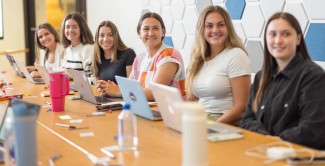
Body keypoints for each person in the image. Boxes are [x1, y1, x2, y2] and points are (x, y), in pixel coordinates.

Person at [240, 12, 325, 150]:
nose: (278, 41)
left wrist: (278, 141)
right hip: (262, 151)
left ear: (298, 39)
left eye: (286, 34)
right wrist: (265, 138)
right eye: (272, 34)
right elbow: (248, 120)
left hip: (299, 157)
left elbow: (313, 128)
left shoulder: (313, 77)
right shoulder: (260, 78)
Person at [96, 12, 186, 101]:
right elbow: (129, 87)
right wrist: (109, 88)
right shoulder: (139, 59)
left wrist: (119, 90)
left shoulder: (170, 54)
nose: (150, 33)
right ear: (139, 33)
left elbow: (153, 93)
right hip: (148, 110)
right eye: (146, 29)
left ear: (163, 32)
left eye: (155, 28)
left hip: (172, 113)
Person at [185, 5, 251, 124]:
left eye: (221, 25)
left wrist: (214, 127)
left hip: (225, 123)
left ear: (228, 28)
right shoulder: (199, 58)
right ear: (202, 30)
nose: (215, 30)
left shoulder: (236, 55)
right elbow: (192, 99)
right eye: (209, 26)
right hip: (200, 119)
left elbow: (241, 109)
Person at [92, 20, 136, 85]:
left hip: (122, 95)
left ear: (116, 37)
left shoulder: (128, 54)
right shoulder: (97, 57)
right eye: (102, 35)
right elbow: (97, 86)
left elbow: (131, 86)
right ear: (97, 38)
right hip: (103, 95)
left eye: (110, 35)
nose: (105, 39)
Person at [61, 12, 94, 77]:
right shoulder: (66, 49)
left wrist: (72, 75)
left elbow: (91, 78)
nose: (70, 30)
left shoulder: (88, 49)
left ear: (82, 29)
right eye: (67, 27)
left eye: (75, 27)